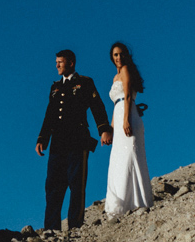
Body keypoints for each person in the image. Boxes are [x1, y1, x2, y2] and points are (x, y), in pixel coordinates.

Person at [36, 49, 112, 232]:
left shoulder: (84, 83)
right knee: (53, 185)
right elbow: (50, 115)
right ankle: (51, 229)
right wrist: (42, 139)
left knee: (76, 184)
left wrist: (104, 129)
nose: (57, 66)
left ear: (71, 63)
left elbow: (97, 106)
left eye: (60, 62)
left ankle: (75, 226)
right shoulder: (55, 87)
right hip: (57, 143)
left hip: (77, 140)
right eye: (56, 62)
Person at [103, 41, 152, 218]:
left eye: (121, 54)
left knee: (130, 154)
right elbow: (116, 103)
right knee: (119, 157)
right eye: (115, 55)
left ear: (126, 55)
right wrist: (110, 129)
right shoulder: (115, 77)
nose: (118, 57)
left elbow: (128, 96)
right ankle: (121, 202)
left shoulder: (125, 71)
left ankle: (136, 201)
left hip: (128, 115)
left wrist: (126, 120)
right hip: (120, 113)